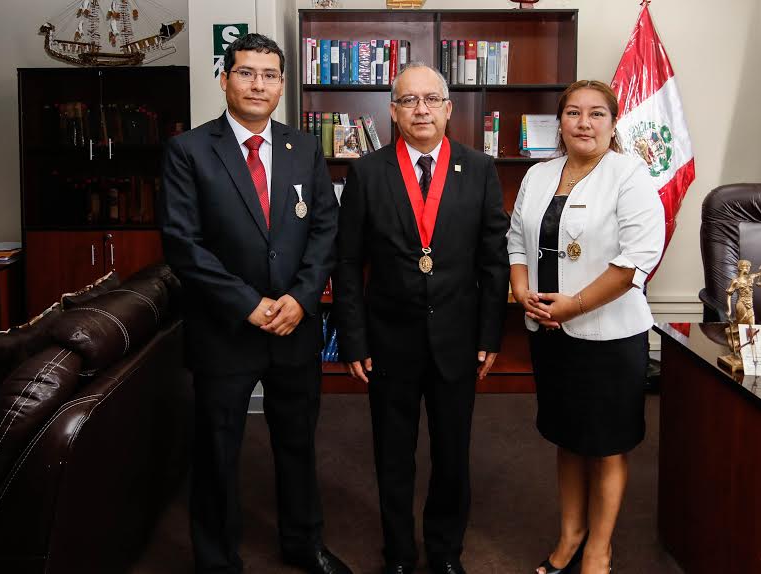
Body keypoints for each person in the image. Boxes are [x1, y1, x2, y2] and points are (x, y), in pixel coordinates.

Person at [159, 33, 351, 574]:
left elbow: (324, 230)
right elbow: (182, 243)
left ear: (282, 84)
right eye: (246, 73)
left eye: (269, 75)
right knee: (218, 451)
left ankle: (303, 542)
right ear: (224, 79)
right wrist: (248, 304)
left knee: (298, 443)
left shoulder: (305, 148)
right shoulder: (188, 151)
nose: (258, 84)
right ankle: (218, 560)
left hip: (295, 325)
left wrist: (301, 297)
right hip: (225, 329)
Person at [333, 62, 509, 574]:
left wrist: (489, 333)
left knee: (452, 453)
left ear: (449, 109)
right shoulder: (367, 172)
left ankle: (445, 551)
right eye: (409, 100)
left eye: (431, 99)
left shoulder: (478, 169)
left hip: (458, 338)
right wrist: (354, 340)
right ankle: (399, 554)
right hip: (389, 340)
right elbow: (347, 264)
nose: (421, 109)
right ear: (393, 111)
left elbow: (493, 260)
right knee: (393, 455)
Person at [507, 80, 664, 574]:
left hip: (608, 337)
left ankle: (599, 548)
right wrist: (521, 292)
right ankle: (570, 534)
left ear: (613, 123)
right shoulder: (538, 174)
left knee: (607, 443)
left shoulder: (630, 174)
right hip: (550, 334)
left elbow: (636, 259)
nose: (583, 122)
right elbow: (515, 240)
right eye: (573, 113)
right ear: (560, 122)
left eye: (597, 114)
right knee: (567, 437)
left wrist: (571, 306)